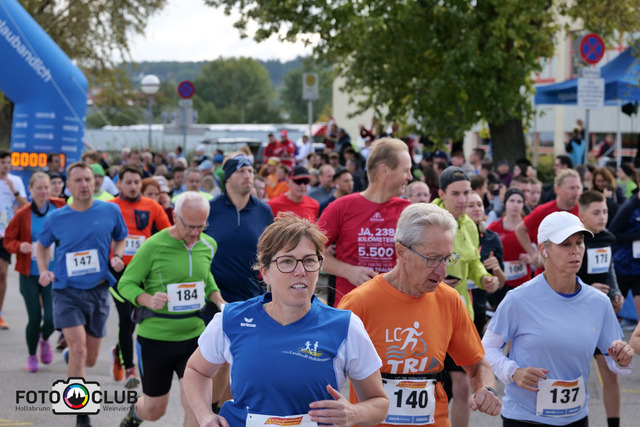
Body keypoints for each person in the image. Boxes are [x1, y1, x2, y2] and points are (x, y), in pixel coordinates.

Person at [184, 215, 389, 426]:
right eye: (287, 261)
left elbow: (379, 403)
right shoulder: (231, 319)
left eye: (309, 260)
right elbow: (196, 371)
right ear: (265, 272)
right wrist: (204, 415)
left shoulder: (345, 326)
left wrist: (354, 413)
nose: (300, 272)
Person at [338, 203, 502, 427]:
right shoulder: (359, 304)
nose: (442, 271)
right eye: (432, 259)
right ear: (401, 252)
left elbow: (477, 364)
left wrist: (486, 389)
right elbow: (326, 375)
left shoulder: (450, 300)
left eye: (447, 258)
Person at [482, 211, 634, 426]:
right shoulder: (518, 299)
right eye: (565, 244)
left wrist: (622, 359)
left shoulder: (599, 302)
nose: (575, 250)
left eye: (579, 242)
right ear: (544, 250)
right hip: (525, 418)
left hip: (576, 418)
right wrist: (513, 372)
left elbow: (614, 359)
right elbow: (487, 348)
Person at [118, 192, 225, 427]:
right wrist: (147, 299)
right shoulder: (153, 246)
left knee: (196, 407)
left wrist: (218, 300)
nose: (195, 233)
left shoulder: (209, 245)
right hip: (157, 338)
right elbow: (125, 284)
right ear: (175, 217)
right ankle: (136, 414)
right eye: (190, 226)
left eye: (201, 226)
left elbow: (205, 278)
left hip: (194, 336)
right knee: (154, 410)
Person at [36, 161, 128, 427]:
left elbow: (121, 236)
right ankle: (81, 414)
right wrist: (43, 270)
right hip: (66, 291)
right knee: (78, 350)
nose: (85, 185)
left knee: (89, 358)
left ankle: (71, 357)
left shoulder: (110, 210)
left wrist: (118, 255)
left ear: (95, 181)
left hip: (98, 290)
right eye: (78, 180)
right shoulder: (56, 217)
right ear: (68, 185)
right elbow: (42, 246)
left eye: (88, 179)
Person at [431, 167, 499, 427]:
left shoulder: (469, 224)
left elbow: (473, 262)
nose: (463, 200)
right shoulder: (428, 220)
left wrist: (484, 278)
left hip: (460, 314)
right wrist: (436, 279)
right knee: (432, 387)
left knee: (461, 386)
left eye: (467, 193)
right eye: (456, 194)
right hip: (430, 315)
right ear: (441, 194)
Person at [318, 137, 412, 306]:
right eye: (406, 171)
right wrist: (347, 271)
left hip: (394, 308)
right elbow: (310, 251)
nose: (410, 177)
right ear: (384, 171)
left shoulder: (408, 211)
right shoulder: (341, 207)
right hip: (351, 309)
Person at [109, 163, 172, 389]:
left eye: (137, 182)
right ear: (119, 184)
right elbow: (100, 237)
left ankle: (119, 351)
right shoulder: (110, 207)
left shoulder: (152, 206)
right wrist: (112, 257)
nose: (133, 186)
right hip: (117, 272)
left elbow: (169, 235)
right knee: (126, 318)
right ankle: (129, 369)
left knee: (141, 319)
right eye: (128, 182)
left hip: (144, 272)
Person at [3, 172, 66, 372]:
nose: (43, 192)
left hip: (52, 273)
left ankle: (44, 339)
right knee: (34, 318)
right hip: (29, 273)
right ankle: (32, 356)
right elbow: (8, 240)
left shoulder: (60, 208)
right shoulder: (23, 214)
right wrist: (19, 246)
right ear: (30, 190)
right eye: (39, 188)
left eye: (46, 187)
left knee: (51, 319)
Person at [576, 190, 625, 427]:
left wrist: (615, 292)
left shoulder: (607, 238)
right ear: (582, 216)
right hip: (577, 314)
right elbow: (562, 276)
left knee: (611, 375)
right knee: (573, 376)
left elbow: (609, 270)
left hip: (603, 315)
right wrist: (587, 288)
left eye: (605, 211)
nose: (603, 216)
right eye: (596, 212)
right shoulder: (575, 240)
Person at [515, 169, 581, 276]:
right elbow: (520, 230)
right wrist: (533, 254)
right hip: (546, 275)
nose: (576, 192)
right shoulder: (543, 211)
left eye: (578, 188)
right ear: (557, 189)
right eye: (572, 188)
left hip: (573, 275)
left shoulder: (583, 211)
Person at [466, 191, 506, 334]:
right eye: (471, 205)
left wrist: (496, 268)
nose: (477, 208)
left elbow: (501, 283)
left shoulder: (492, 238)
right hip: (457, 305)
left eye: (479, 205)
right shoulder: (452, 236)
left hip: (480, 310)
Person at [487, 189, 532, 306]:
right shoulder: (494, 228)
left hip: (523, 282)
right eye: (512, 201)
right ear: (505, 203)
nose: (515, 205)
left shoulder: (529, 226)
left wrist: (531, 256)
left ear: (523, 205)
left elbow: (542, 250)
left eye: (519, 202)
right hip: (501, 283)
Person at [0, 149, 28, 329]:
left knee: (2, 273)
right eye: (2, 162)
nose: (6, 166)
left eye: (8, 162)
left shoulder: (16, 181)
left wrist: (14, 191)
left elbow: (25, 206)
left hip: (6, 234)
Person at [609, 183, 640, 330]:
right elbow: (613, 233)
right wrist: (637, 236)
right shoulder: (629, 207)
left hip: (638, 266)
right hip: (623, 265)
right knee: (613, 305)